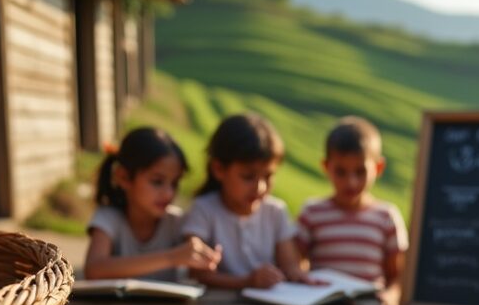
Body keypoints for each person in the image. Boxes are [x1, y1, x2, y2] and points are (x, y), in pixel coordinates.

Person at [296, 116, 409, 305]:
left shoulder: (386, 216)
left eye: (360, 172)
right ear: (326, 167)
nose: (351, 182)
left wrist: (390, 295)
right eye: (341, 171)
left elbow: (398, 274)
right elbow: (294, 261)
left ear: (378, 168)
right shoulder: (312, 213)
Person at [181, 113, 312, 289]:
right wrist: (247, 282)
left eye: (268, 176)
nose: (260, 187)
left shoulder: (276, 211)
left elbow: (290, 266)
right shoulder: (203, 210)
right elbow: (198, 274)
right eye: (248, 177)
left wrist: (301, 277)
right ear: (219, 169)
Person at [84, 127, 221, 281]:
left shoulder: (176, 222)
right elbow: (94, 269)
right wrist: (171, 258)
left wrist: (207, 257)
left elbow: (198, 263)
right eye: (157, 182)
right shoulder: (108, 218)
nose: (169, 193)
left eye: (174, 183)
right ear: (123, 177)